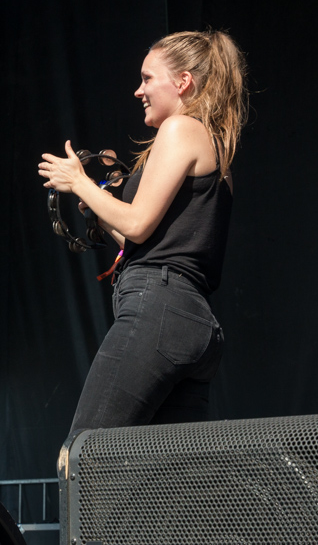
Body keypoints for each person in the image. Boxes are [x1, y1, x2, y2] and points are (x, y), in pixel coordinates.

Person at [38, 30, 248, 431]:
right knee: (162, 477)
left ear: (183, 81)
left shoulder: (181, 129)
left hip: (159, 308)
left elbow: (137, 223)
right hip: (190, 322)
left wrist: (79, 181)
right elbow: (145, 240)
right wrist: (100, 213)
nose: (139, 91)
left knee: (87, 454)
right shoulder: (216, 147)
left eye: (147, 78)